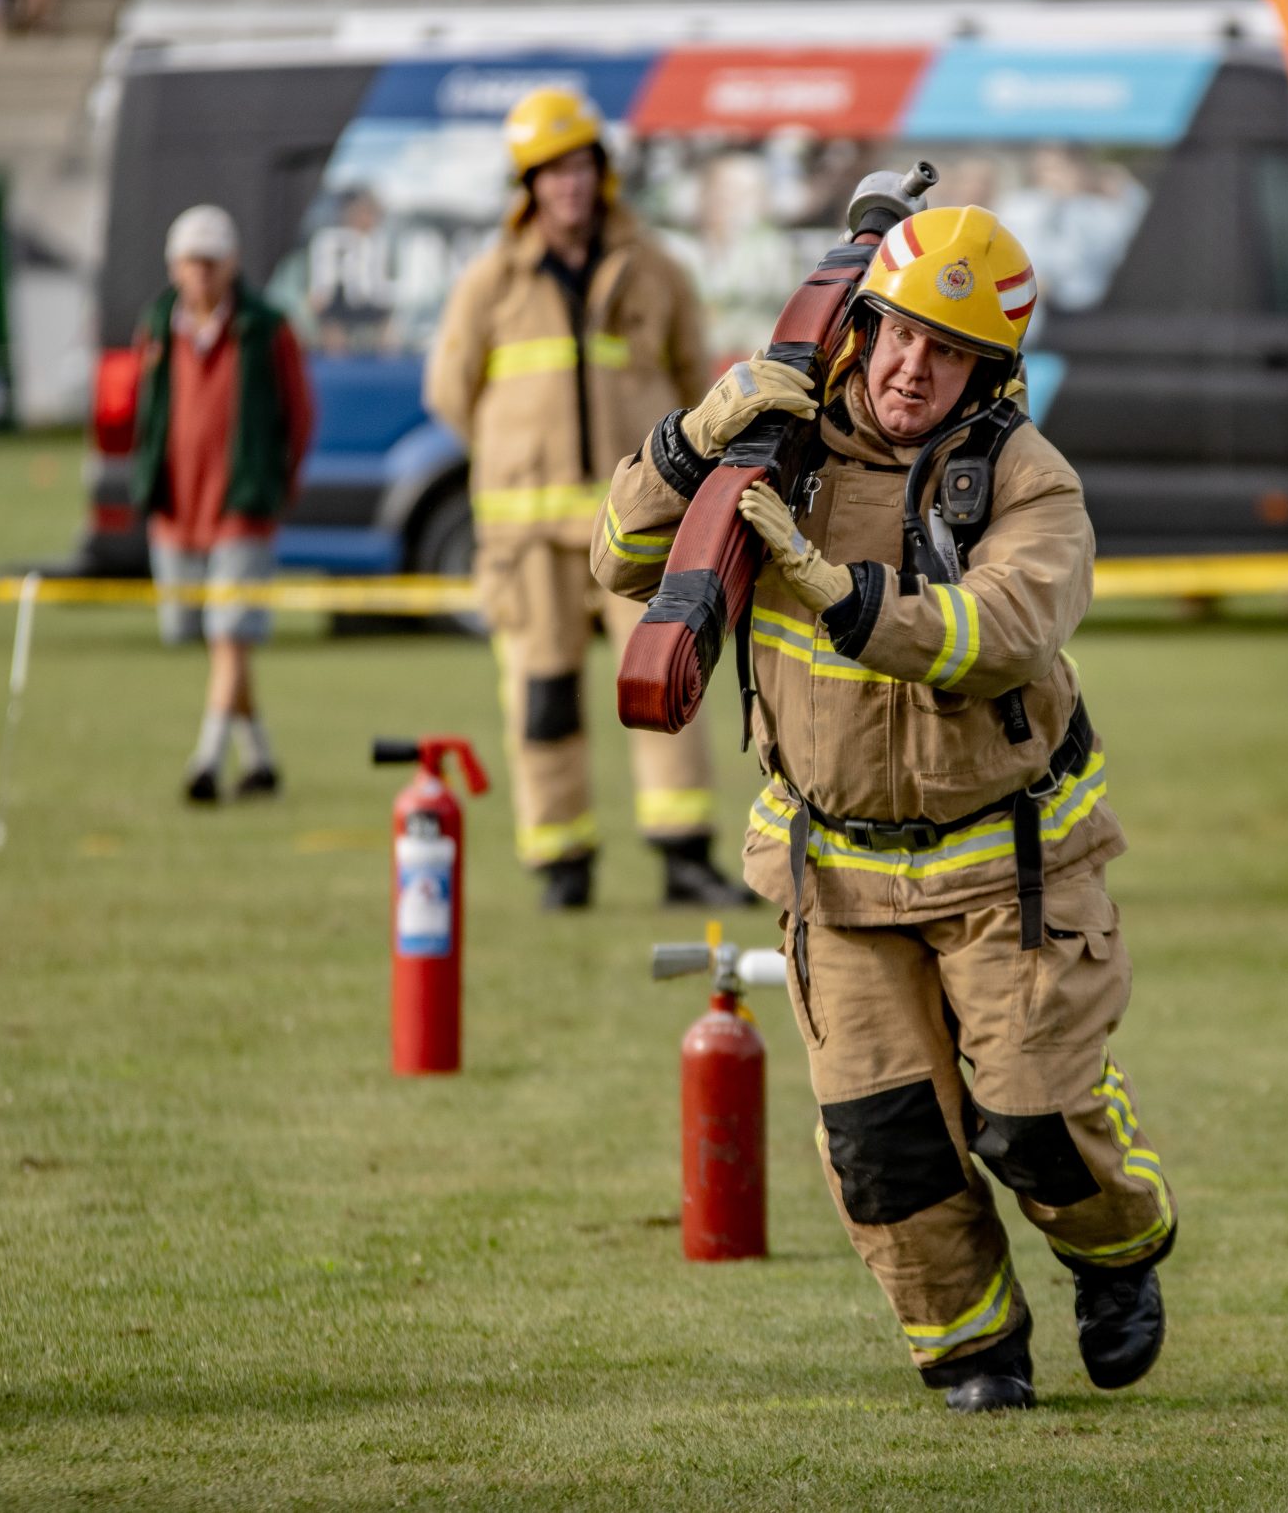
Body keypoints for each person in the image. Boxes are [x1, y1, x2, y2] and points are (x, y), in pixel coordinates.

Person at [592, 204, 1174, 1414]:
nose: (913, 369)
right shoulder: (777, 446)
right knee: (882, 1141)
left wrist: (840, 594)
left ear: (990, 373)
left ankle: (1118, 1254)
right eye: (898, 334)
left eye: (948, 352)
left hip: (1008, 867)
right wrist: (698, 437)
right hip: (838, 872)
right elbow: (622, 559)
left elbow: (1004, 632)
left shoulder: (1027, 480)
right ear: (858, 326)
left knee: (1035, 1123)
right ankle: (972, 1351)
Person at [425, 86, 746, 910]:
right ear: (527, 186)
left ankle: (684, 856)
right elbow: (450, 392)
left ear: (601, 174)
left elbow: (695, 383)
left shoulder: (657, 270)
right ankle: (561, 863)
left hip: (638, 529)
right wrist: (517, 458)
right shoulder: (490, 282)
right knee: (543, 697)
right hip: (528, 537)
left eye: (579, 167)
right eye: (550, 171)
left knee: (665, 680)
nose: (567, 185)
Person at [132, 204, 314, 803]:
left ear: (232, 264)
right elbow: (145, 410)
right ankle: (259, 758)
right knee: (206, 637)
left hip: (242, 503)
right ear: (174, 266)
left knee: (230, 633)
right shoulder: (157, 327)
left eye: (212, 262)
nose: (202, 274)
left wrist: (278, 483)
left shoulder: (267, 327)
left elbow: (299, 413)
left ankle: (206, 761)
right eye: (192, 262)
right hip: (178, 508)